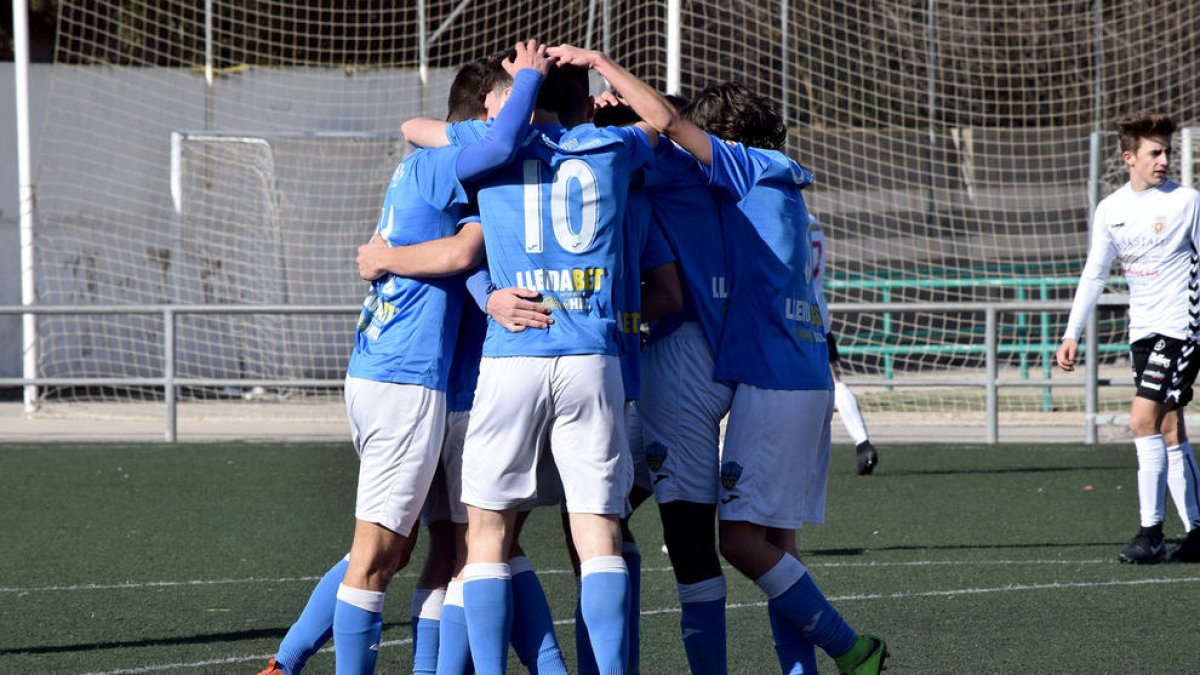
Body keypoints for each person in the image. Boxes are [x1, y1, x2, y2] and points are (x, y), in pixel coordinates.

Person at [548, 46, 889, 674]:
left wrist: (601, 79)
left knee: (699, 539)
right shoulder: (773, 178)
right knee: (767, 542)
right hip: (775, 368)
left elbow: (669, 132)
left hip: (705, 363)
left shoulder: (717, 169)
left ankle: (846, 649)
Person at [254, 42, 551, 675]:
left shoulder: (432, 164)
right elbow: (463, 248)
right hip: (419, 379)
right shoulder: (453, 163)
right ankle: (290, 660)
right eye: (508, 106)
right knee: (410, 549)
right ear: (479, 117)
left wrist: (396, 260)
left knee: (425, 542)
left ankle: (308, 661)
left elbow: (460, 243)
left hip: (398, 372)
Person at [444, 55, 658, 675]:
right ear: (586, 103)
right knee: (599, 539)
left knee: (486, 535)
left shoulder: (491, 147)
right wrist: (602, 67)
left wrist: (487, 295)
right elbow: (663, 119)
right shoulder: (612, 146)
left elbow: (420, 133)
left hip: (514, 355)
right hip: (593, 355)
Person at [1057, 113, 1200, 565]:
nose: (1163, 160)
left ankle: (1150, 533)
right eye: (1154, 153)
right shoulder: (1111, 209)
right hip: (1142, 330)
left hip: (1181, 328)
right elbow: (1095, 273)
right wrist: (1071, 333)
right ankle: (1197, 532)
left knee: (1141, 422)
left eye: (1166, 152)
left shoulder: (1188, 202)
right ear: (1129, 158)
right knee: (1169, 429)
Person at [809, 215, 880, 475]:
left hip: (796, 314)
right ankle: (863, 443)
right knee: (833, 379)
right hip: (820, 311)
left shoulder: (788, 219)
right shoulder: (813, 222)